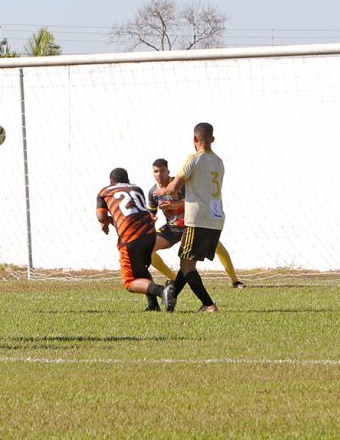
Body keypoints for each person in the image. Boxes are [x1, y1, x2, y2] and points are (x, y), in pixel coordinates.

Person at [146, 158, 245, 308]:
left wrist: (176, 204)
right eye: (156, 171)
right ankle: (173, 279)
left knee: (216, 247)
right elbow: (151, 213)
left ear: (168, 171)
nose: (159, 174)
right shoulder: (153, 192)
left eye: (162, 171)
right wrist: (150, 220)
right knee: (147, 248)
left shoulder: (179, 184)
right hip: (172, 228)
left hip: (190, 226)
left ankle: (235, 280)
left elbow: (194, 200)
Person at [155, 122, 224, 313]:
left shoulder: (193, 159)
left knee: (187, 265)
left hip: (197, 218)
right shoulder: (219, 161)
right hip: (216, 218)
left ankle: (209, 305)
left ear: (195, 139)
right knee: (188, 262)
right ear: (212, 139)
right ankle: (172, 296)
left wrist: (160, 192)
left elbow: (173, 188)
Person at [96, 167, 174, 310]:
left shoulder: (105, 191)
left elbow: (101, 217)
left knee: (129, 282)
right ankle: (153, 305)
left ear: (111, 181)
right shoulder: (137, 189)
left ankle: (162, 291)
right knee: (142, 270)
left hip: (130, 237)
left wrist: (105, 222)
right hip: (150, 233)